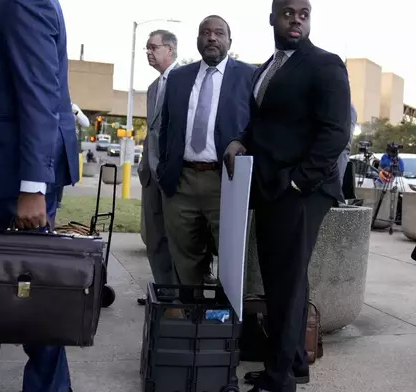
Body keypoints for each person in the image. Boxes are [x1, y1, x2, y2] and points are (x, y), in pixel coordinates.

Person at [223, 1, 350, 391]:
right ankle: (294, 364)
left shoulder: (325, 64)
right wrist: (239, 141)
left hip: (301, 192)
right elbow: (262, 123)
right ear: (273, 17)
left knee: (285, 284)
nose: (296, 18)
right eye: (288, 12)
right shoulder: (268, 66)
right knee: (287, 281)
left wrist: (299, 183)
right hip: (268, 185)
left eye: (304, 13)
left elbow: (335, 133)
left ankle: (279, 380)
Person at [0, 0, 77, 390]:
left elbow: (38, 93)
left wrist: (33, 187)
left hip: (16, 179)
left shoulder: (23, 1)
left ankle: (49, 387)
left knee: (34, 295)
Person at [157, 16, 256, 288]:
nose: (212, 37)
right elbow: (166, 128)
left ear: (229, 41)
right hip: (181, 182)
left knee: (233, 256)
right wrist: (165, 169)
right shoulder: (178, 78)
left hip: (226, 181)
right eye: (205, 32)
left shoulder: (249, 76)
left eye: (219, 33)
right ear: (198, 40)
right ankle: (194, 317)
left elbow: (259, 126)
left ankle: (227, 321)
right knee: (186, 258)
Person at [136, 29, 180, 306]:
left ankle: (179, 295)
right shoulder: (153, 88)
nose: (149, 52)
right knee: (154, 238)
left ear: (171, 50)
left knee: (177, 239)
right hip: (150, 175)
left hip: (173, 175)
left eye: (154, 47)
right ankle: (163, 292)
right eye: (147, 48)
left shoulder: (184, 81)